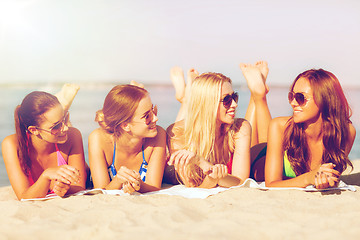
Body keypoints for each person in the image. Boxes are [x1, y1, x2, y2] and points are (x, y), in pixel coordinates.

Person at [166, 61, 271, 187]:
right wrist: (212, 174)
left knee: (262, 146)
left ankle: (257, 93)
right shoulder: (177, 134)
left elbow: (240, 182)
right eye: (226, 100)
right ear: (208, 103)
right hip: (177, 171)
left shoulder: (240, 128)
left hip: (250, 150)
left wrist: (206, 166)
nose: (234, 104)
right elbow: (193, 186)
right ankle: (185, 99)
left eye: (234, 97)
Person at [264, 69, 356, 189]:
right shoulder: (280, 126)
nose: (293, 102)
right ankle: (259, 95)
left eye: (300, 97)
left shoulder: (346, 133)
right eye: (291, 96)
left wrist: (323, 179)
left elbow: (330, 178)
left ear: (324, 99)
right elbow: (271, 184)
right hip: (257, 161)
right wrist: (308, 178)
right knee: (261, 140)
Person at [2, 84, 87, 200]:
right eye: (56, 126)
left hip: (63, 145)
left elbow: (80, 186)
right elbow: (24, 196)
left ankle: (61, 112)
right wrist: (46, 176)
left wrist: (64, 188)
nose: (65, 128)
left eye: (65, 119)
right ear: (34, 130)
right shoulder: (11, 145)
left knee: (87, 169)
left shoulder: (73, 135)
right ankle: (62, 108)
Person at [88, 84, 167, 193]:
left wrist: (138, 185)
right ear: (125, 125)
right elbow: (100, 191)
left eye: (153, 110)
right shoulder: (99, 139)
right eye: (147, 116)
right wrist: (118, 181)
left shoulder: (158, 136)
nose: (156, 118)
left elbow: (154, 187)